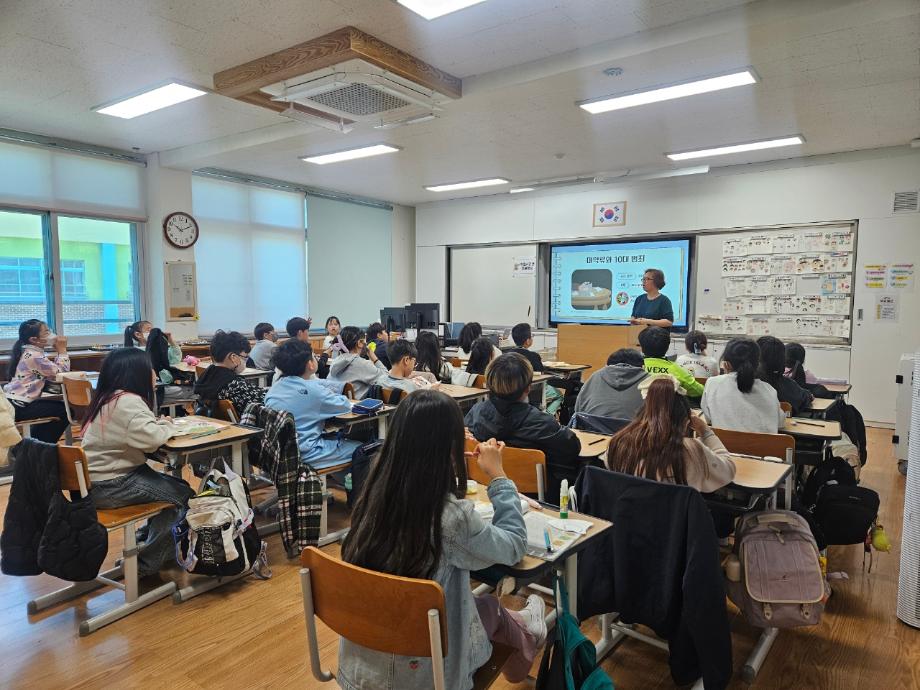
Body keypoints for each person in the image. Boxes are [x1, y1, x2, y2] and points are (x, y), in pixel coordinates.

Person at [339, 390, 545, 690]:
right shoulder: (449, 519)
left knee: (485, 606)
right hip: (425, 673)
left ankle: (524, 624)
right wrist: (499, 476)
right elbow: (513, 546)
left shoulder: (372, 499)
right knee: (489, 609)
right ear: (446, 447)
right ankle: (527, 629)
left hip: (360, 668)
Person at [81, 347, 193, 578]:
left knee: (178, 488)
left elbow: (139, 434)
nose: (154, 373)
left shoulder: (110, 397)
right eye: (150, 369)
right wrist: (167, 424)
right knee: (183, 497)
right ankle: (146, 563)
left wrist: (158, 425)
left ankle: (148, 541)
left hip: (99, 480)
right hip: (112, 484)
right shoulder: (128, 402)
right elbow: (152, 440)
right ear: (137, 373)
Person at [465, 353, 581, 497]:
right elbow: (573, 448)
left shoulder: (475, 412)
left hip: (486, 490)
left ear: (489, 384)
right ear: (528, 388)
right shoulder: (542, 423)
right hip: (536, 498)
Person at [606, 377, 736, 493]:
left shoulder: (618, 442)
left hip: (627, 516)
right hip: (675, 519)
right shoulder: (691, 450)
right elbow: (728, 470)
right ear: (685, 421)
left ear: (642, 413)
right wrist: (705, 431)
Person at [265, 339, 360, 467]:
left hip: (279, 453)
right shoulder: (313, 391)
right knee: (365, 448)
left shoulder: (274, 388)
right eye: (314, 356)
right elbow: (344, 405)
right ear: (310, 364)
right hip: (308, 453)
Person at [3, 319, 70, 443]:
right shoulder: (35, 356)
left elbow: (52, 372)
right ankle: (39, 447)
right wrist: (62, 350)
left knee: (59, 408)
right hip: (20, 406)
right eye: (46, 333)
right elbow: (61, 373)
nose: (51, 335)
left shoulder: (28, 351)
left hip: (14, 402)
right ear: (34, 340)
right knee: (65, 411)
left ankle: (36, 443)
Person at [701, 338, 784, 434]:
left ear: (726, 364)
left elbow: (708, 418)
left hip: (722, 447)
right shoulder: (769, 390)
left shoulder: (712, 383)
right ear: (757, 365)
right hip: (765, 448)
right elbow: (780, 423)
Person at [194, 330, 266, 418]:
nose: (246, 361)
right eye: (245, 357)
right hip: (243, 429)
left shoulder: (205, 378)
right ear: (233, 358)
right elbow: (266, 402)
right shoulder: (235, 385)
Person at [574, 348, 648, 420]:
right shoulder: (650, 380)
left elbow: (578, 410)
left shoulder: (595, 376)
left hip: (592, 431)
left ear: (607, 365)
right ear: (642, 366)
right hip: (635, 431)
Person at [639, 326, 704, 398]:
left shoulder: (634, 368)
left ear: (641, 347)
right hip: (670, 408)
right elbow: (699, 391)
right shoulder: (677, 370)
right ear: (667, 347)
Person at [757, 336, 813, 416]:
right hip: (778, 427)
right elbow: (806, 396)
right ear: (783, 359)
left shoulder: (743, 382)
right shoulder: (787, 385)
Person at [328, 326, 388, 399]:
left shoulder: (335, 362)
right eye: (364, 341)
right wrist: (374, 358)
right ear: (359, 343)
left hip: (336, 407)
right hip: (356, 408)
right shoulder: (362, 364)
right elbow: (386, 378)